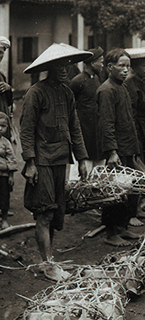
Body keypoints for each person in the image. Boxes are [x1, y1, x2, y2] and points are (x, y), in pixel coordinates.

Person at [20, 43, 90, 280]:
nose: (64, 69)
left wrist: (82, 158)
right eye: (59, 65)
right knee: (45, 212)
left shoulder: (67, 92)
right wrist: (30, 162)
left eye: (67, 65)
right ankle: (47, 263)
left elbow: (75, 126)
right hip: (41, 160)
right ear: (49, 67)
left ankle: (50, 260)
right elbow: (27, 129)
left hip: (62, 158)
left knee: (57, 212)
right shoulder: (36, 93)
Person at [97, 48, 143, 244]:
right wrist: (112, 152)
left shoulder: (121, 87)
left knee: (127, 190)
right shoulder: (106, 90)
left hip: (127, 147)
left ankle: (122, 227)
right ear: (109, 67)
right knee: (113, 191)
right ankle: (111, 233)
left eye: (128, 67)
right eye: (121, 66)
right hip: (116, 150)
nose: (126, 70)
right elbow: (106, 124)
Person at [69, 47, 104, 170]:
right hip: (83, 130)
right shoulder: (78, 81)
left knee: (98, 171)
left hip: (95, 129)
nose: (102, 65)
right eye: (101, 61)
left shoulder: (96, 79)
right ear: (93, 63)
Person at [0, 112, 17, 230]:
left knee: (4, 197)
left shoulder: (6, 143)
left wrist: (11, 176)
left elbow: (11, 159)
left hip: (3, 175)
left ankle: (4, 220)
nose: (0, 129)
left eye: (3, 126)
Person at [0, 37, 13, 140]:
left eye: (1, 53)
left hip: (3, 120)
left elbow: (8, 102)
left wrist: (8, 89)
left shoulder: (1, 75)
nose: (0, 56)